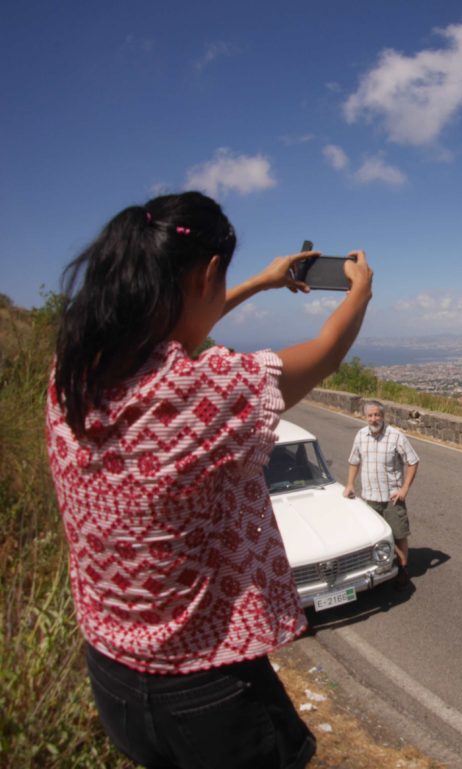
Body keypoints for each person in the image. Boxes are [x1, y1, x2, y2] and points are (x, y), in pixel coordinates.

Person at [45, 191, 373, 769]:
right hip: (205, 690)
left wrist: (257, 284)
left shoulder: (72, 376)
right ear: (210, 272)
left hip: (113, 673)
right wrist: (360, 291)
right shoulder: (208, 393)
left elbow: (165, 335)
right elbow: (323, 352)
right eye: (221, 282)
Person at [343, 400, 419, 590]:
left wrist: (404, 489)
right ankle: (378, 569)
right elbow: (354, 461)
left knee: (399, 534)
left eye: (377, 415)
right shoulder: (361, 435)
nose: (374, 419)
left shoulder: (396, 436)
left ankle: (402, 569)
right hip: (370, 498)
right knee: (373, 537)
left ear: (383, 416)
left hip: (392, 498)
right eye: (370, 415)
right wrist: (350, 484)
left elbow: (413, 461)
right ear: (365, 417)